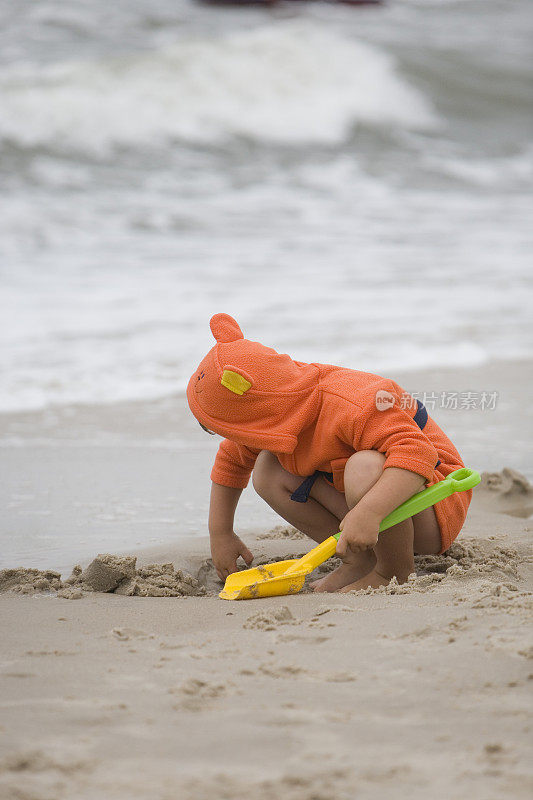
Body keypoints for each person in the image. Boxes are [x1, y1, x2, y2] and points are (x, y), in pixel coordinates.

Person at [186, 313, 472, 592]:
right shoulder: (272, 409)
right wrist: (220, 532)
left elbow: (418, 455)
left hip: (434, 500)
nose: (231, 439)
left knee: (363, 468)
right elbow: (231, 462)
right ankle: (359, 557)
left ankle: (393, 572)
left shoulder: (351, 403)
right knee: (267, 471)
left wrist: (370, 512)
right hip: (372, 506)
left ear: (256, 412)